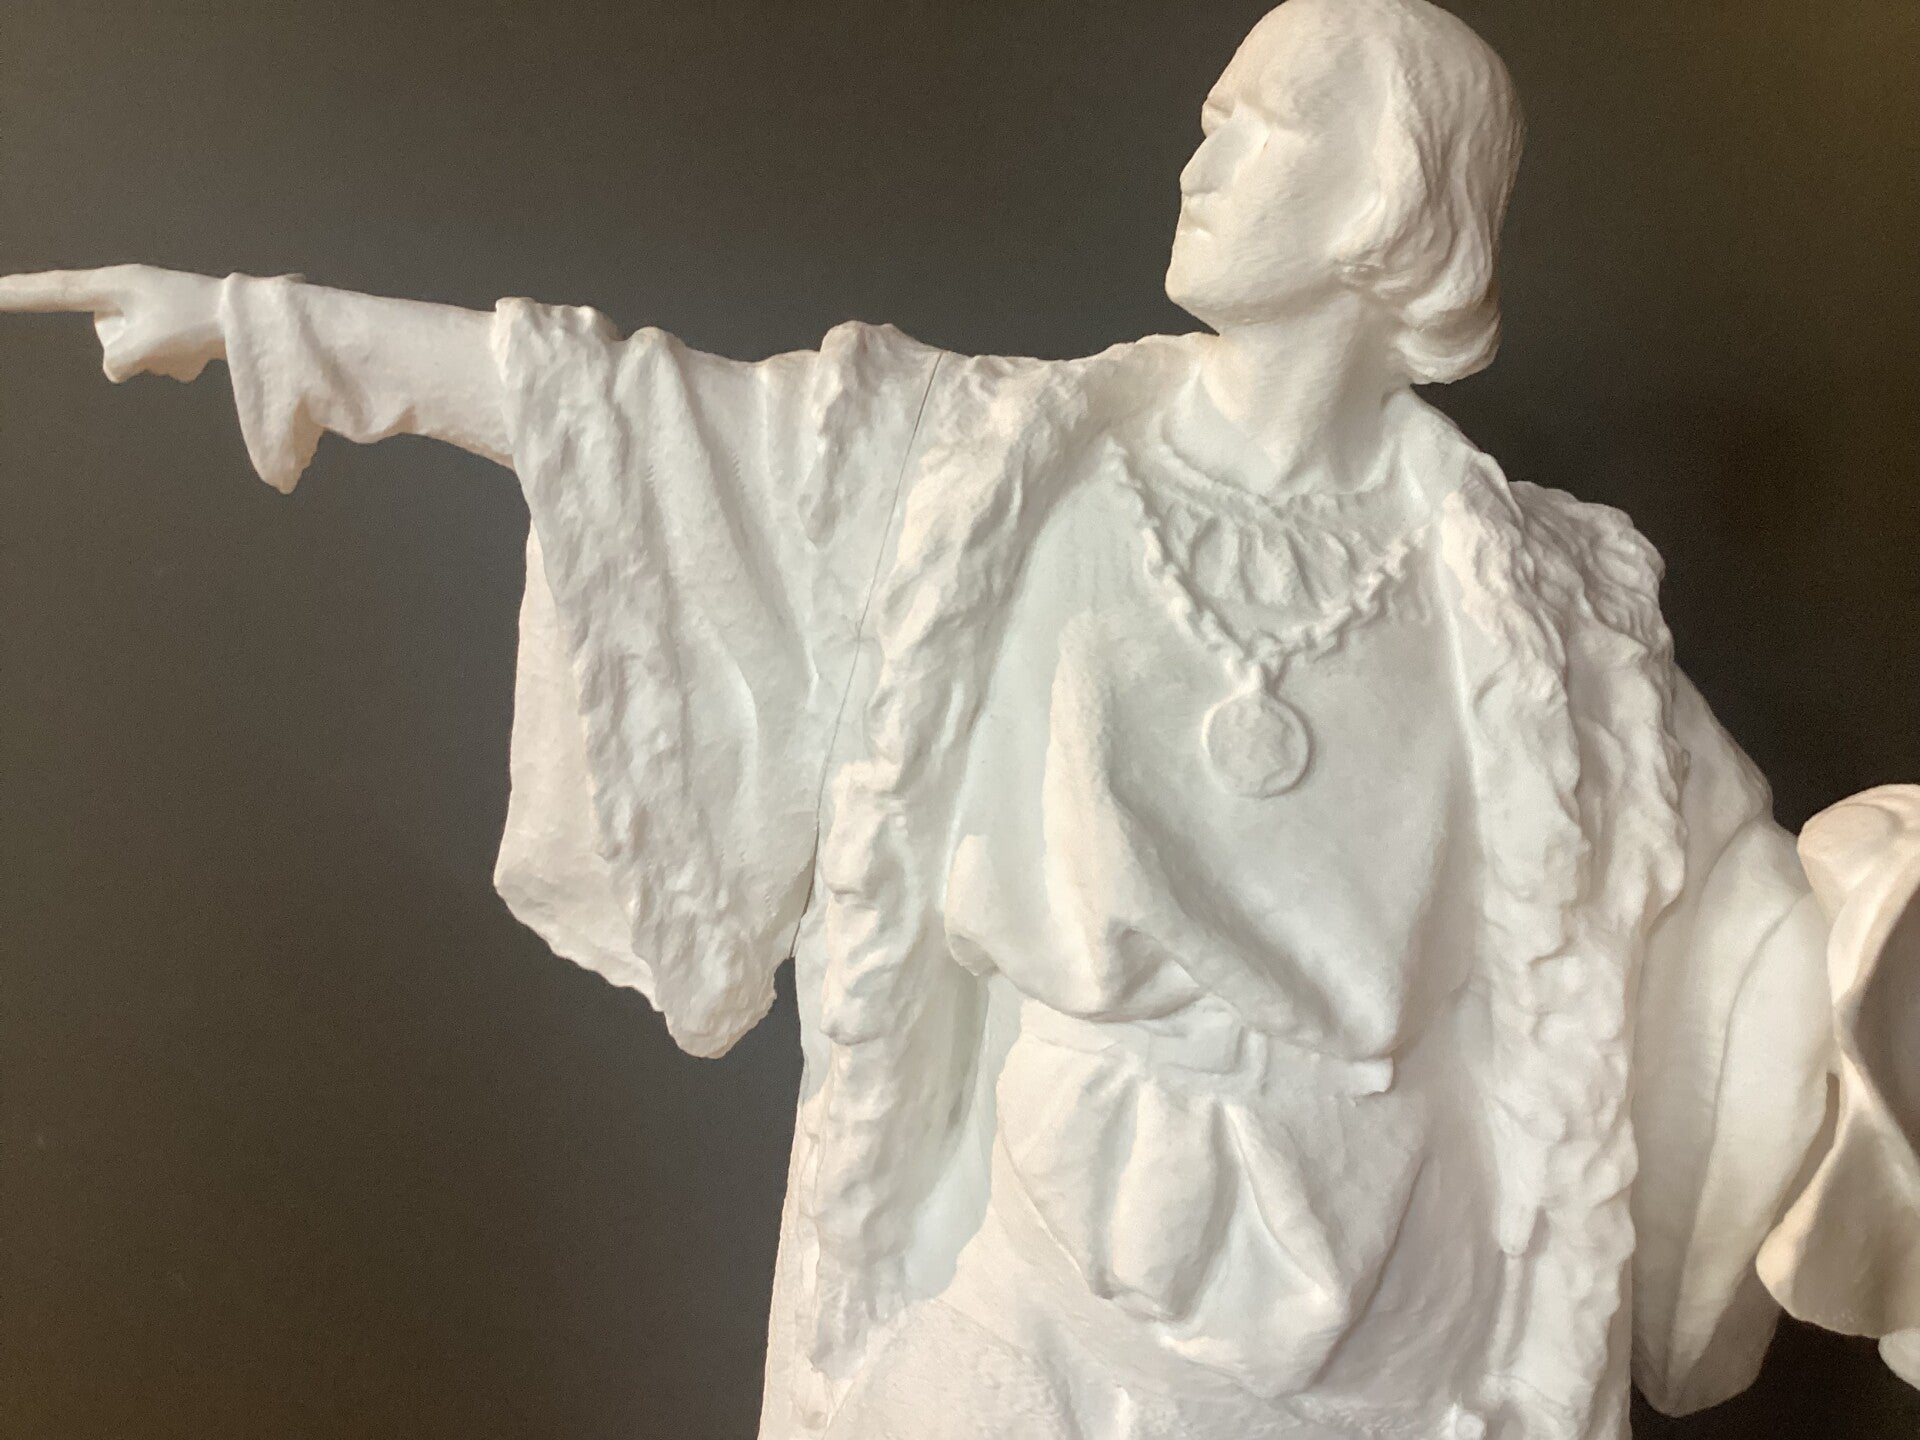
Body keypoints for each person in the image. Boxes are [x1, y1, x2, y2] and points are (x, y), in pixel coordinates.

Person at [2, 2, 1914, 1436]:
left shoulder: (1551, 602)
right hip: (1051, 1297)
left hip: (1396, 1345)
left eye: (1259, 117)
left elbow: (1735, 952)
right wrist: (280, 329)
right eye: (1209, 113)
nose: (1202, 151)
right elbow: (654, 421)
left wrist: (1878, 967)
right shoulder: (996, 463)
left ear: (1387, 197)